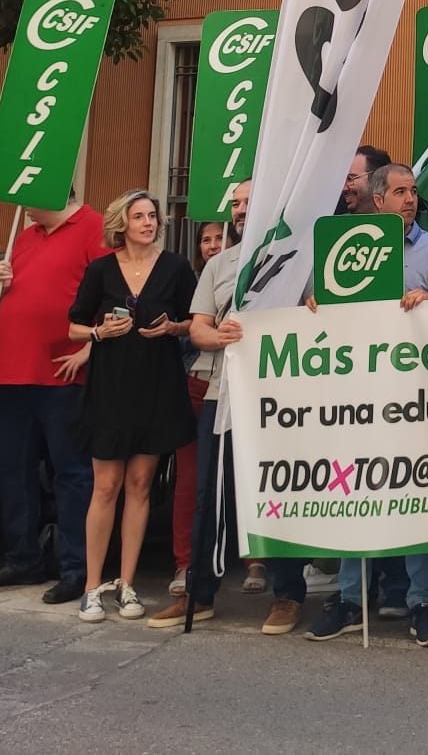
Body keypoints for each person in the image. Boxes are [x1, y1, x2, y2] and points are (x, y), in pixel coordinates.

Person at [308, 163, 428, 648]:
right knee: (354, 492)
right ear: (378, 199)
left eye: (413, 191)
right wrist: (315, 301)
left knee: (416, 491)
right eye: (400, 191)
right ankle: (351, 599)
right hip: (356, 395)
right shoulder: (341, 246)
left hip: (413, 397)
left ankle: (421, 602)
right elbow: (320, 305)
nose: (410, 199)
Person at [66, 189, 198, 624]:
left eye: (153, 216)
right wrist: (100, 333)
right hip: (111, 389)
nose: (148, 222)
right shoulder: (101, 269)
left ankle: (127, 584)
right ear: (122, 223)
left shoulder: (177, 267)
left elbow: (195, 323)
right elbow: (73, 327)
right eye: (139, 216)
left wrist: (172, 327)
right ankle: (91, 587)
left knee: (141, 486)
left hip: (158, 388)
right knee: (105, 487)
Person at [0, 189, 105, 604]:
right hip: (14, 370)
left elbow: (112, 292)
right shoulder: (26, 236)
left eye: (31, 196)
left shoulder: (93, 227)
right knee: (13, 469)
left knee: (72, 474)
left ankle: (76, 568)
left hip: (64, 372)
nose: (23, 207)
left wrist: (90, 349)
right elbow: (10, 303)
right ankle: (22, 557)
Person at [155, 183, 254, 631]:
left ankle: (286, 595)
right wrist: (220, 338)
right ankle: (199, 592)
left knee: (273, 489)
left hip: (274, 397)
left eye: (248, 203)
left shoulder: (296, 259)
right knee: (205, 495)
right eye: (235, 203)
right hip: (218, 390)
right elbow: (198, 329)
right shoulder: (217, 265)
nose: (238, 211)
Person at [167, 219, 230, 599]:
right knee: (193, 480)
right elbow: (194, 331)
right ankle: (186, 562)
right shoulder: (192, 279)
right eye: (205, 240)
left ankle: (254, 561)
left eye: (218, 237)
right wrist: (182, 328)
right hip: (197, 383)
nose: (211, 245)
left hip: (241, 386)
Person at [342, 144, 393, 214]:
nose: (344, 188)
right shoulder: (333, 224)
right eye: (343, 181)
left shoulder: (401, 223)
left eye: (350, 179)